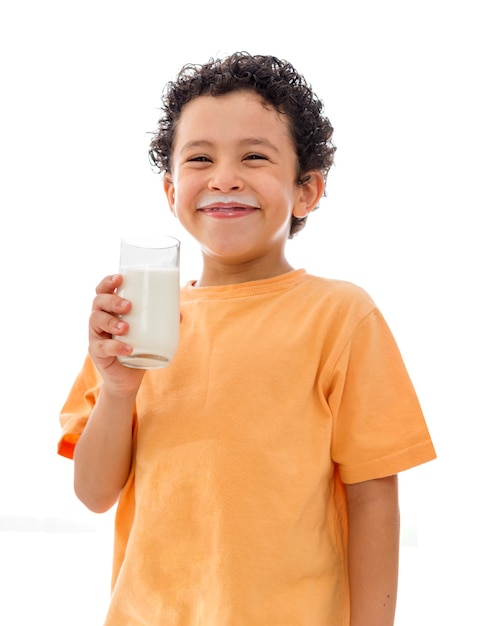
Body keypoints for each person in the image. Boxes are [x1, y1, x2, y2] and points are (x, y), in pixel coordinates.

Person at [58, 52, 436, 626]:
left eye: (254, 156)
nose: (224, 177)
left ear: (306, 190)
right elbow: (93, 494)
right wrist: (115, 390)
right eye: (200, 157)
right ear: (170, 190)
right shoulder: (136, 324)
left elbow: (373, 499)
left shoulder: (340, 316)